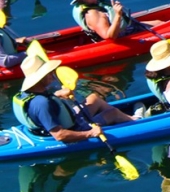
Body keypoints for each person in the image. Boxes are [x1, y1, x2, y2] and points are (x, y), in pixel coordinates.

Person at [12, 54, 140, 143]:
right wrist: (90, 133)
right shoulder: (41, 104)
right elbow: (59, 135)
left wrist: (57, 94)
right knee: (112, 113)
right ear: (40, 78)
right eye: (49, 73)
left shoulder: (27, 94)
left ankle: (127, 119)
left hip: (62, 121)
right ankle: (138, 121)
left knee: (94, 98)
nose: (52, 75)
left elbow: (40, 105)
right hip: (74, 130)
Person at [70, 0, 162, 41]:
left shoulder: (94, 3)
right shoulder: (93, 14)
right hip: (122, 36)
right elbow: (109, 36)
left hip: (126, 28)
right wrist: (118, 15)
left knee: (159, 22)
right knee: (161, 25)